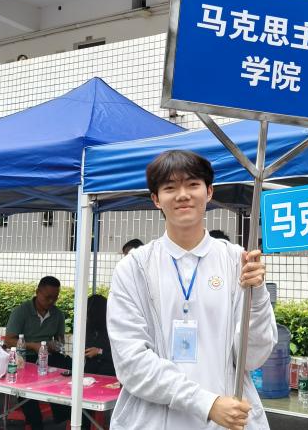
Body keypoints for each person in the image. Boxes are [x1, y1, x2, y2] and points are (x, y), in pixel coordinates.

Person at [107, 150, 278, 430]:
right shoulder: (134, 268)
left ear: (209, 192)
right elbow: (131, 363)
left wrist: (257, 296)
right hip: (154, 422)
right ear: (156, 199)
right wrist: (207, 403)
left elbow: (253, 357)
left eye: (193, 184)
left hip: (227, 422)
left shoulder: (237, 261)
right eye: (170, 188)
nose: (183, 195)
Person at [5, 276, 69, 429]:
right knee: (24, 384)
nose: (51, 301)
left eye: (55, 298)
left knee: (69, 368)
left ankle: (64, 415)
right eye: (48, 297)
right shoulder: (21, 312)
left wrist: (56, 345)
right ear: (37, 292)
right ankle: (35, 422)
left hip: (47, 355)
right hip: (24, 356)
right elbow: (9, 340)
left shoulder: (58, 314)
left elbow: (60, 339)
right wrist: (33, 345)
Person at [82, 294, 115, 429]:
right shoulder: (87, 328)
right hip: (90, 374)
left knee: (108, 408)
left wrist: (99, 351)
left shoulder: (113, 329)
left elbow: (118, 356)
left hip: (109, 375)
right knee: (82, 401)